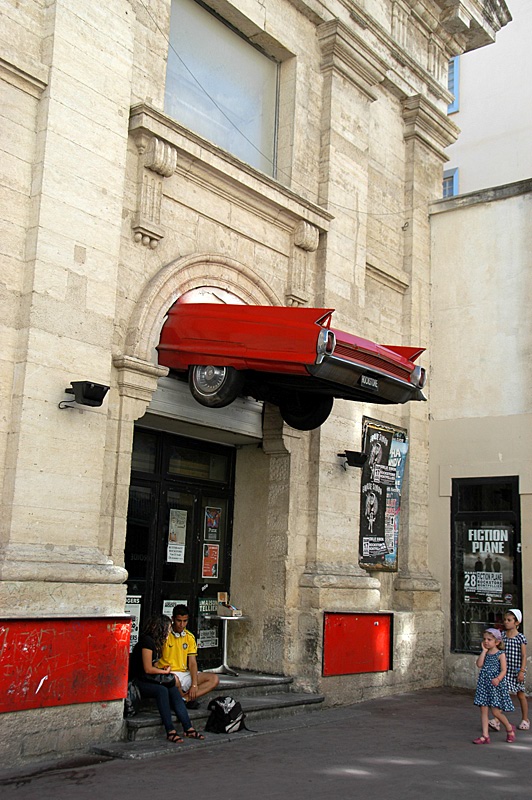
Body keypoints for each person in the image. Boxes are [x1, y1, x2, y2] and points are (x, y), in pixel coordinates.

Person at [129, 614, 204, 742]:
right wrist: (165, 672)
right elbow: (148, 668)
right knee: (162, 690)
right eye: (168, 628)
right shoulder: (147, 642)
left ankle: (188, 727)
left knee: (172, 688)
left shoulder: (156, 643)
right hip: (138, 681)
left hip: (149, 678)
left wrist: (161, 668)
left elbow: (153, 664)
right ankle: (170, 730)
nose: (169, 632)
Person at [158, 604, 219, 709]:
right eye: (179, 621)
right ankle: (182, 700)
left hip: (184, 673)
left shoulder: (189, 637)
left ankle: (184, 699)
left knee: (214, 679)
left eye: (185, 621)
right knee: (174, 679)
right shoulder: (164, 635)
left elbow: (192, 663)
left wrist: (194, 685)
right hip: (168, 673)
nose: (182, 625)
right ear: (173, 619)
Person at [489, 609, 529, 732]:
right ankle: (497, 720)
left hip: (516, 670)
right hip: (505, 670)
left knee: (520, 694)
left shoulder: (520, 638)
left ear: (517, 622)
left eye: (509, 620)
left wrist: (522, 671)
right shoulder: (502, 636)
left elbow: (524, 655)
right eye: (505, 620)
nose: (506, 622)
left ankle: (525, 719)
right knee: (503, 692)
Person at [472, 627, 515, 744]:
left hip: (494, 685)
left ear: (497, 642)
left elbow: (504, 670)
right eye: (484, 639)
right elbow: (479, 664)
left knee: (496, 712)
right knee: (483, 710)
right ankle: (485, 735)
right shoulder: (485, 653)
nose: (486, 641)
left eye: (489, 639)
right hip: (484, 685)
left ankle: (509, 728)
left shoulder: (500, 654)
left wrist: (498, 679)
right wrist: (483, 651)